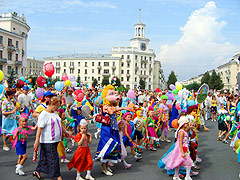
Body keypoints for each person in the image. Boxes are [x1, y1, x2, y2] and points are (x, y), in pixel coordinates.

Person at [94, 85, 131, 176]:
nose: (115, 95)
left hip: (113, 129)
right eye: (112, 94)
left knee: (112, 148)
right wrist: (123, 108)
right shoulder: (105, 106)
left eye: (115, 93)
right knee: (108, 146)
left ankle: (106, 166)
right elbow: (111, 111)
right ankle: (104, 167)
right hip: (107, 130)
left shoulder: (110, 105)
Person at [33, 97, 64, 180]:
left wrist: (65, 131)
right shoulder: (44, 114)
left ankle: (38, 171)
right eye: (56, 106)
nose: (57, 108)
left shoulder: (55, 113)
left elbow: (59, 123)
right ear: (52, 104)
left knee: (45, 157)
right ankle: (57, 176)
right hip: (48, 140)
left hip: (55, 140)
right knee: (53, 158)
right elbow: (39, 128)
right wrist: (37, 141)